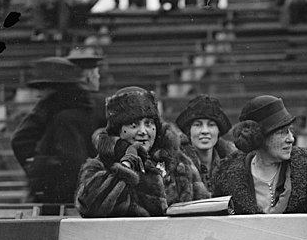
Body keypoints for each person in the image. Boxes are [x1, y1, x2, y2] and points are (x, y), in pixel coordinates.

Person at [75, 86, 209, 217]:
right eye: (133, 125)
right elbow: (89, 207)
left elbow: (203, 207)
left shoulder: (179, 162)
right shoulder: (100, 166)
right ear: (118, 130)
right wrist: (125, 166)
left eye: (149, 124)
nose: (143, 131)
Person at [11, 57, 107, 208]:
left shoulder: (52, 113)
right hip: (93, 190)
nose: (38, 94)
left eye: (42, 88)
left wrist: (38, 167)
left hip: (57, 193)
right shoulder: (97, 104)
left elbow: (20, 140)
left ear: (54, 88)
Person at [211, 95, 307, 214]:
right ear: (258, 137)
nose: (291, 139)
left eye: (290, 131)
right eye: (281, 133)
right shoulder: (227, 176)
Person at [174, 94, 236, 194]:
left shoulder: (233, 165)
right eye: (198, 125)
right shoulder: (178, 165)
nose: (205, 131)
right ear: (189, 131)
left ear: (218, 131)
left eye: (211, 125)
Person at [29, 0, 100, 42]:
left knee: (65, 3)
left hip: (76, 11)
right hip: (56, 9)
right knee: (37, 0)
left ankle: (60, 33)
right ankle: (41, 32)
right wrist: (50, 0)